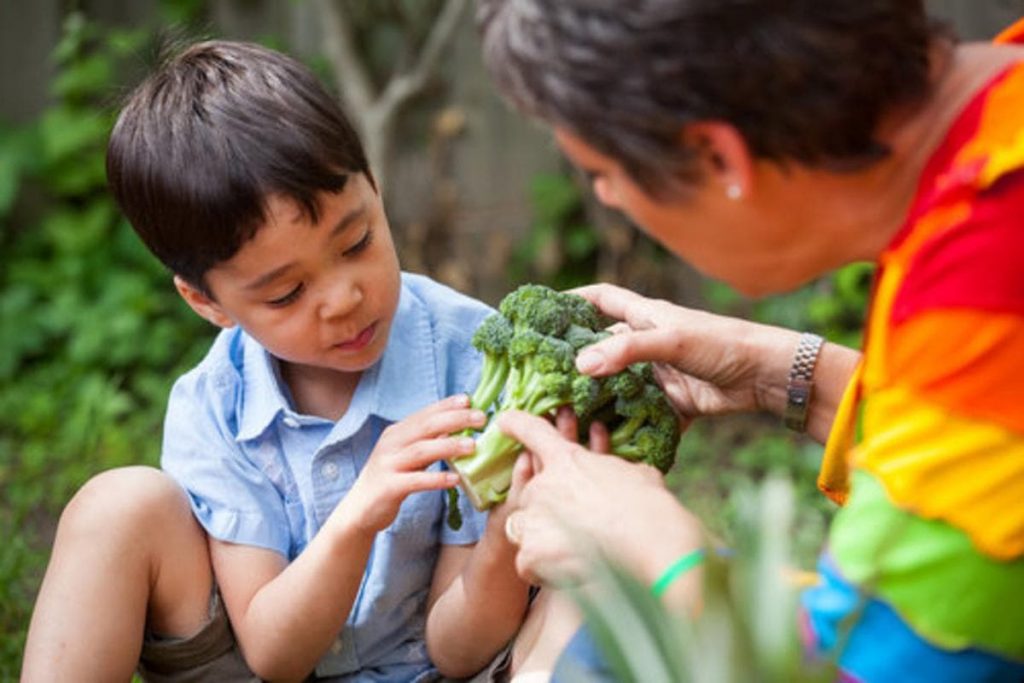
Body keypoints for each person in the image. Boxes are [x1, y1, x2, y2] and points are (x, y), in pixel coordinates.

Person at [477, 1, 1024, 680]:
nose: (609, 198)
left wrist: (651, 552)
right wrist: (787, 375)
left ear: (718, 155)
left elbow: (863, 666)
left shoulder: (984, 272)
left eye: (603, 173)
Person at [21, 40, 531, 682]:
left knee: (579, 578)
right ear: (208, 303)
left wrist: (508, 528)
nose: (345, 298)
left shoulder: (477, 358)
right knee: (115, 507)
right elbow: (275, 656)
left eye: (358, 241)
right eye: (287, 293)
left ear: (374, 188)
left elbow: (458, 651)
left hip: (442, 667)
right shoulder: (216, 407)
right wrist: (359, 516)